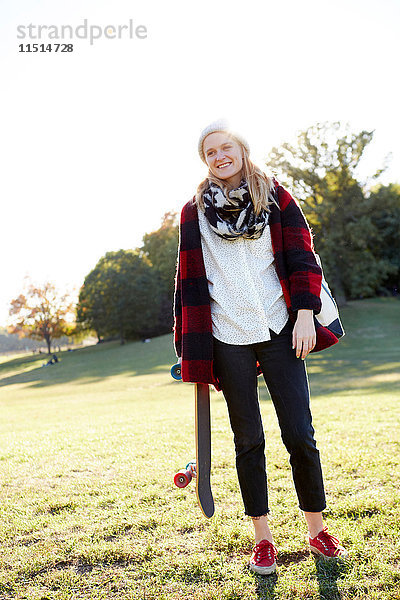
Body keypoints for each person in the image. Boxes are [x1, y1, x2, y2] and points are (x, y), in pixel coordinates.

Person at [173, 119, 348, 575]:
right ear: (205, 161)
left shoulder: (276, 196)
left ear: (241, 148)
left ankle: (316, 530)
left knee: (300, 435)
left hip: (280, 327)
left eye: (224, 147)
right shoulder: (193, 212)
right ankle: (264, 540)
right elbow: (188, 283)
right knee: (248, 440)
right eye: (209, 152)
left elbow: (302, 255)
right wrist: (193, 353)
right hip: (227, 334)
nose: (218, 157)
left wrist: (306, 313)